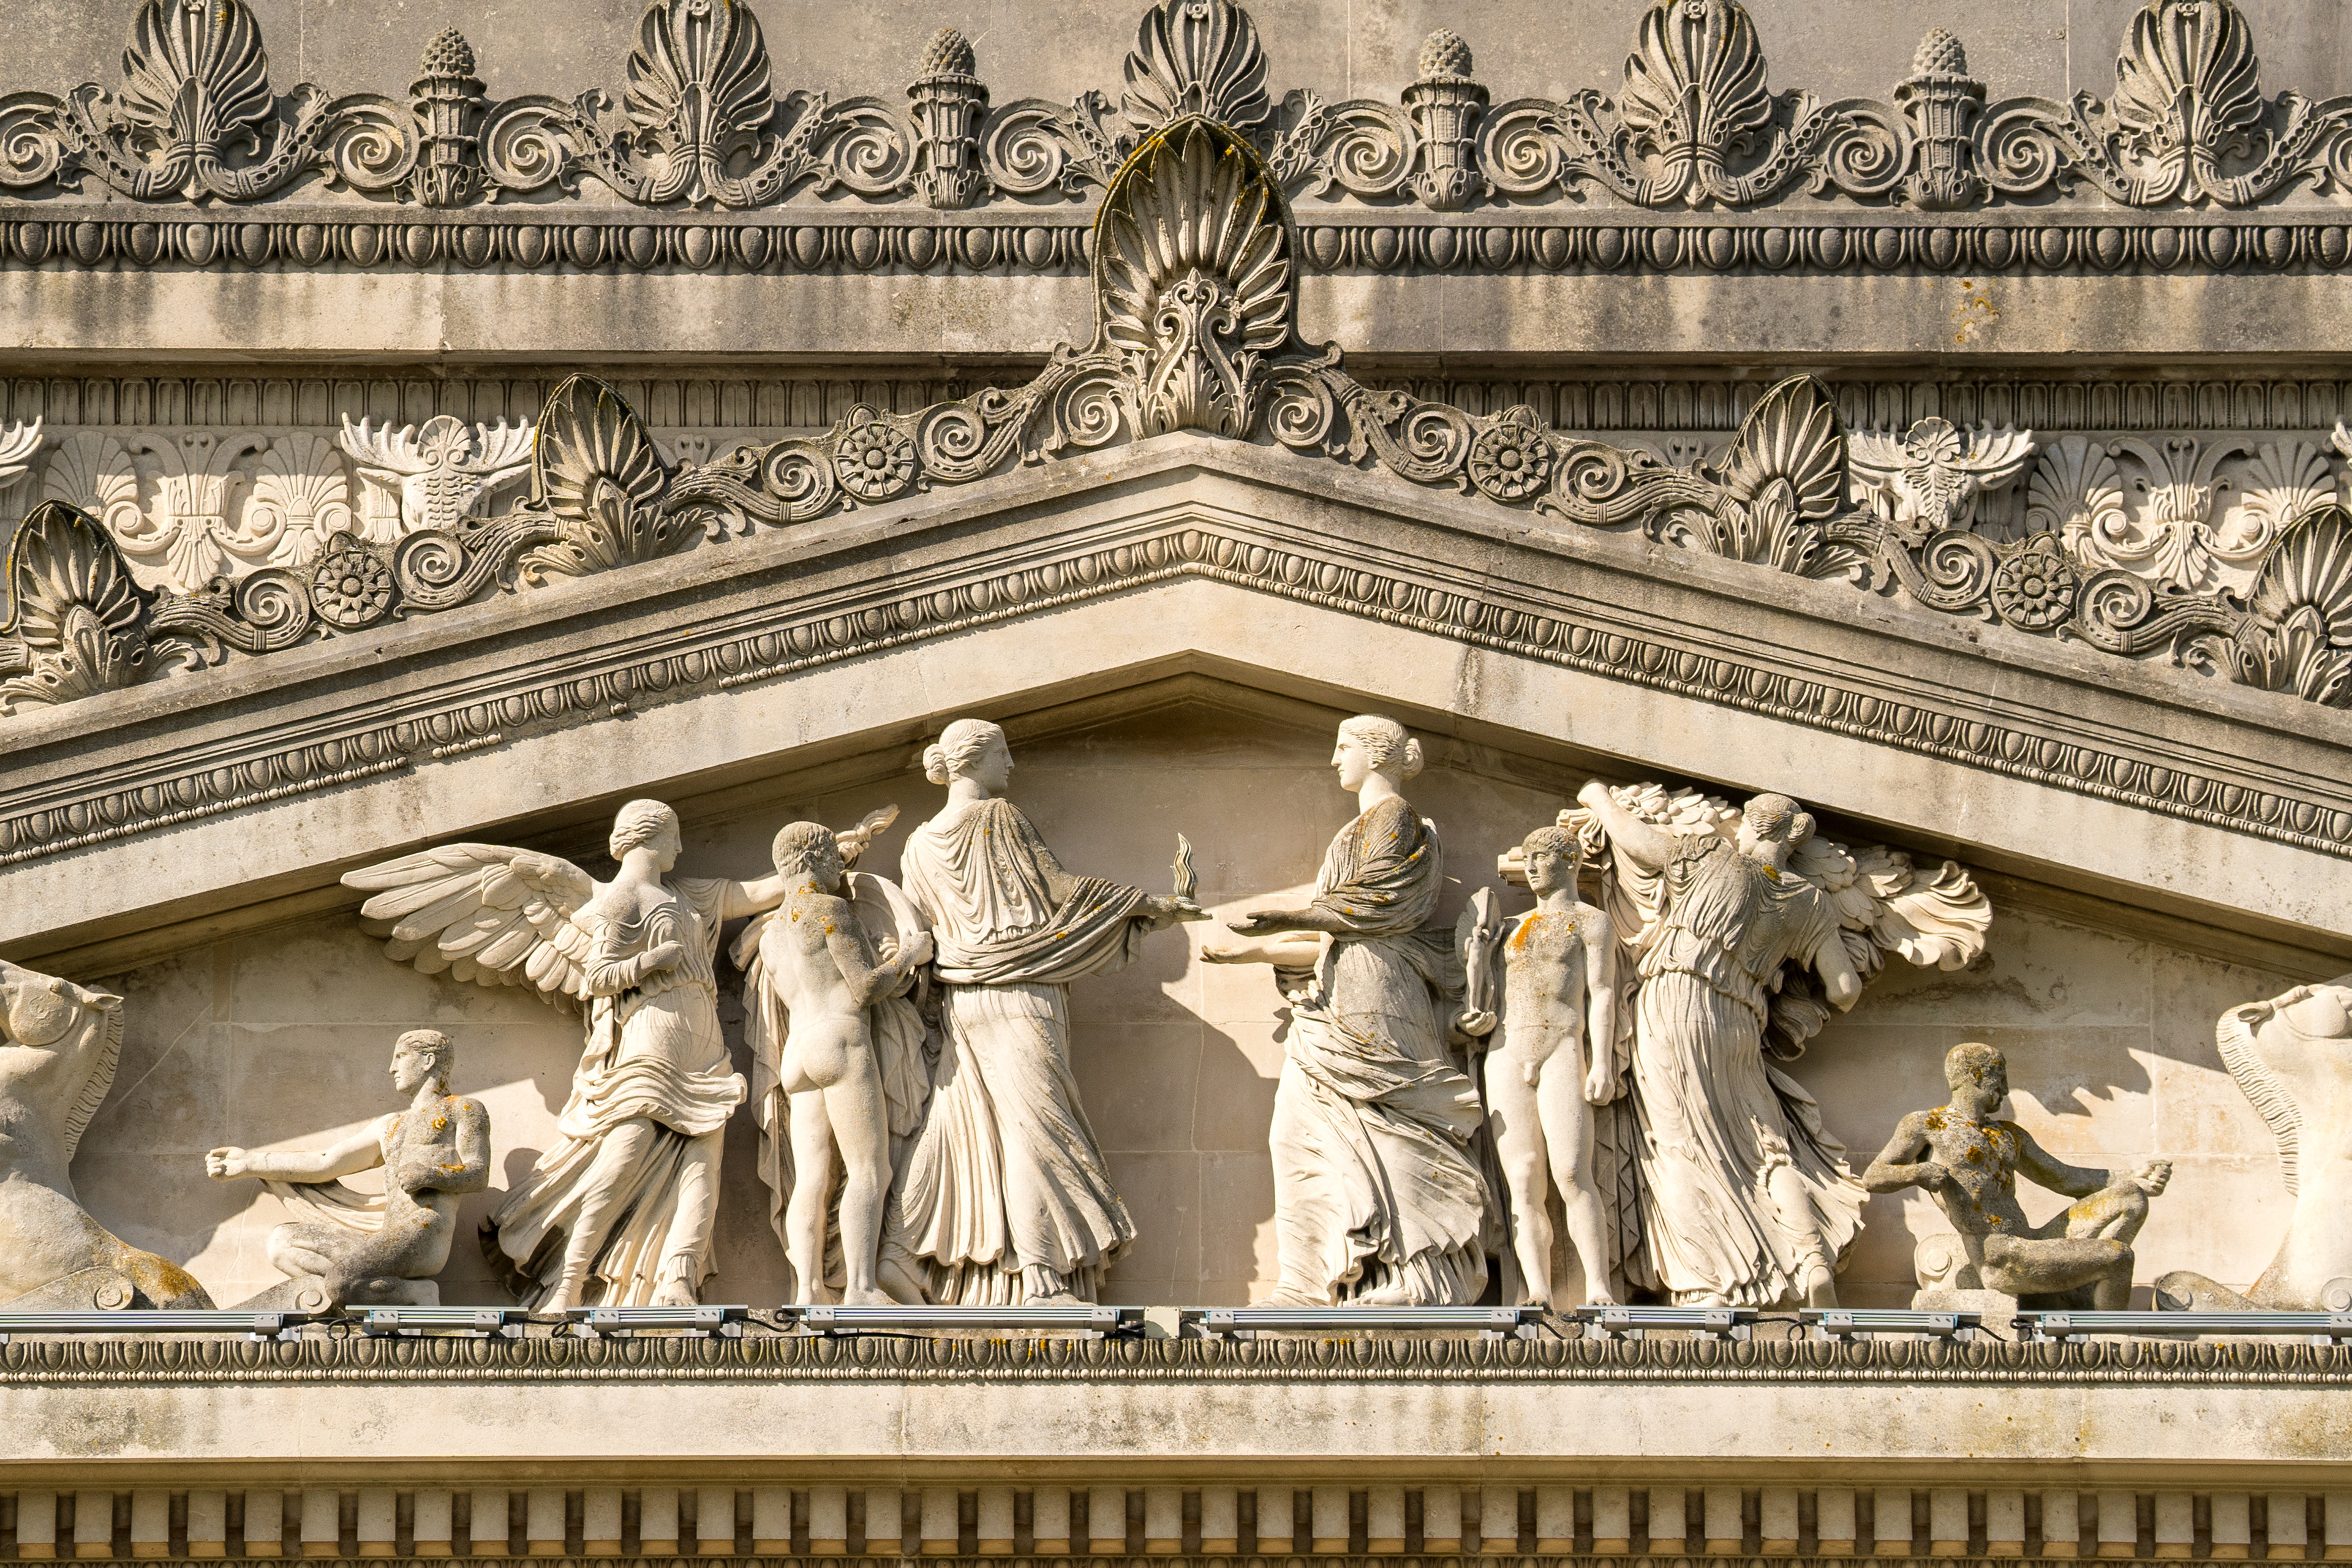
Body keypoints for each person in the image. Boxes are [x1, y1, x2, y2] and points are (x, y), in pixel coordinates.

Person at [880, 719, 1202, 1304]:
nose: (1012, 764)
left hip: (964, 997)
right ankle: (1039, 1277)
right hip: (1023, 993)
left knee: (962, 1123)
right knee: (1037, 1131)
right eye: (1003, 753)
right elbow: (1060, 889)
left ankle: (899, 1250)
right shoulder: (1000, 817)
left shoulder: (918, 843)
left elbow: (918, 933)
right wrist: (1152, 904)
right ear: (975, 759)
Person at [1209, 715, 1491, 1306]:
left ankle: (1416, 1277)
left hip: (1382, 996)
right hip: (1336, 994)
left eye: (1345, 747)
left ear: (1377, 755)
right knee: (1297, 1132)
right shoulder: (1355, 831)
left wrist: (1293, 916)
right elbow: (1336, 931)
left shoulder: (1399, 819)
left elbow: (1371, 910)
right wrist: (1249, 952)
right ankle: (1309, 1279)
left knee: (1392, 1127)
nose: (1336, 759)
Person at [1574, 782, 1864, 1308]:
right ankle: (1810, 1258)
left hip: (1675, 1002)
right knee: (1767, 1147)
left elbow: (1634, 839)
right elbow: (1845, 990)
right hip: (1740, 1020)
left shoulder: (1709, 856)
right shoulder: (1807, 902)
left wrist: (1597, 798)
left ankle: (1710, 1283)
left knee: (1679, 1145)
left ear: (1751, 826)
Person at [747, 823, 932, 1305]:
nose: (838, 868)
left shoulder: (770, 935)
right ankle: (861, 1287)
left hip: (799, 1055)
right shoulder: (830, 911)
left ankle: (807, 1290)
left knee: (812, 1177)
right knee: (870, 1170)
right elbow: (865, 987)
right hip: (840, 1040)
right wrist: (908, 956)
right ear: (812, 860)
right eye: (832, 858)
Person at [1864, 1042, 2171, 1308]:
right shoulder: (1927, 1124)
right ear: (1976, 1076)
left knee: (2130, 1197)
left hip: (2031, 1244)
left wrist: (2133, 1176)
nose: (2006, 1089)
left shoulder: (2009, 1133)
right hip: (1999, 1255)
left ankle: (2082, 1286)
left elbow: (2064, 1178)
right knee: (2118, 1257)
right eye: (2000, 1078)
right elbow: (1874, 1176)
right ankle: (2110, 1341)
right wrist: (1919, 1172)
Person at [205, 1029, 490, 1308]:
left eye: (400, 1057)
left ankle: (414, 1295)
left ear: (428, 1061)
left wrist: (431, 1176)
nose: (392, 1069)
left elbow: (479, 1173)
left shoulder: (463, 1109)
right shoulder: (390, 1124)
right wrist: (249, 1163)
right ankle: (386, 1290)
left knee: (341, 1283)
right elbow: (325, 1163)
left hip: (423, 1233)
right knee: (283, 1244)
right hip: (386, 1238)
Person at [1459, 826, 1621, 1309]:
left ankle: (1598, 1288)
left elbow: (1604, 992)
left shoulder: (1591, 922)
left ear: (1570, 860)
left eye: (1543, 856)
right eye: (1527, 857)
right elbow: (1482, 993)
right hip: (1508, 1053)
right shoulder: (1510, 927)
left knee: (1572, 1172)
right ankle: (1537, 1290)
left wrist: (1603, 1064)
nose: (1531, 867)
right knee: (1524, 1181)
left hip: (1563, 1049)